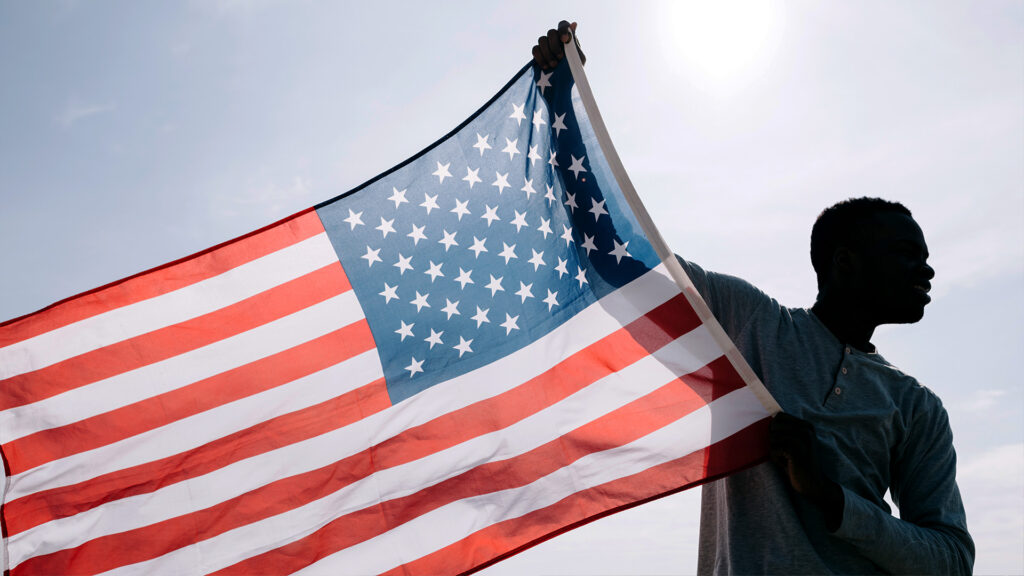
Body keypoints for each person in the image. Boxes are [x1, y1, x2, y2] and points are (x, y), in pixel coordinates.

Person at [533, 22, 974, 575]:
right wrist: (561, 106)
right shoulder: (747, 325)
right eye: (907, 252)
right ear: (845, 262)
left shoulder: (916, 407)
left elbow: (952, 562)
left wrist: (831, 498)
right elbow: (616, 259)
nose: (926, 268)